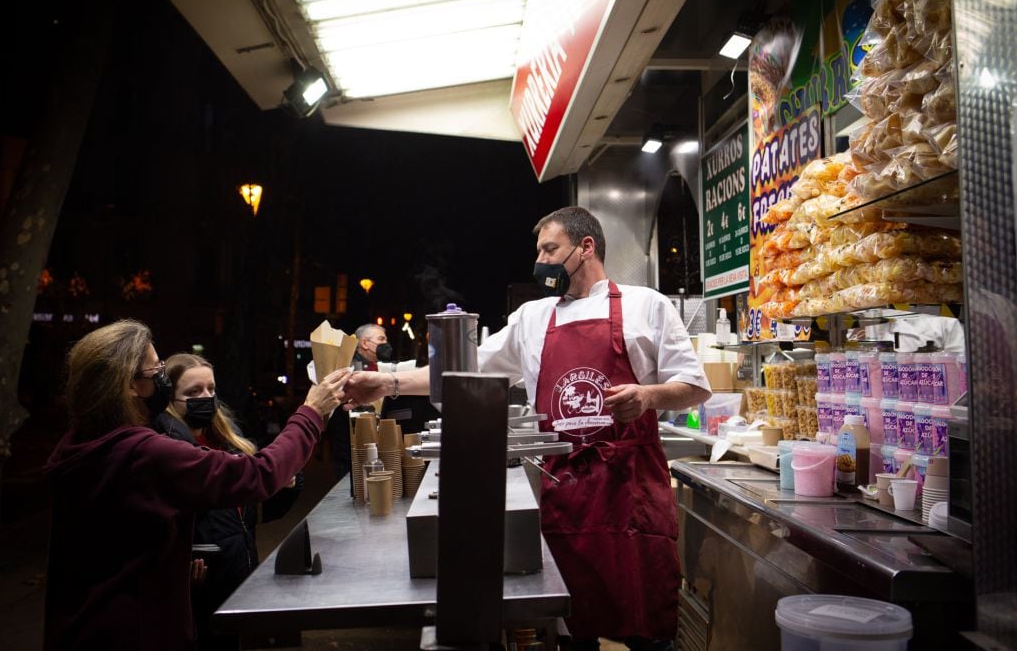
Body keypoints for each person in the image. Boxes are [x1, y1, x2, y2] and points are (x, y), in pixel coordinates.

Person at [344, 206, 712, 650]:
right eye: (539, 251)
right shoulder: (533, 318)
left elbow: (694, 386)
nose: (541, 261)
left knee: (648, 633)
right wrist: (387, 382)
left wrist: (648, 396)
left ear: (586, 247)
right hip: (568, 497)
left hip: (630, 494)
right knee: (574, 630)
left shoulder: (645, 305)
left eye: (550, 249)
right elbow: (465, 369)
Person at [44, 320, 350, 651]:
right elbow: (257, 474)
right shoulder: (145, 453)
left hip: (80, 625)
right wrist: (312, 413)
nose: (162, 377)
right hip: (137, 630)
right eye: (156, 372)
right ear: (129, 386)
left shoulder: (78, 445)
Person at [152, 353, 297, 651]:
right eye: (193, 392)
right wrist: (179, 561)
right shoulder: (166, 448)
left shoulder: (229, 438)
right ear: (169, 397)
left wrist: (282, 485)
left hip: (239, 568)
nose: (206, 397)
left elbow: (249, 510)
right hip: (200, 584)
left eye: (210, 389)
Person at [325, 323, 390, 480]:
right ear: (364, 343)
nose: (385, 344)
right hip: (350, 442)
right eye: (381, 339)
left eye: (386, 339)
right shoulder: (348, 365)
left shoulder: (382, 366)